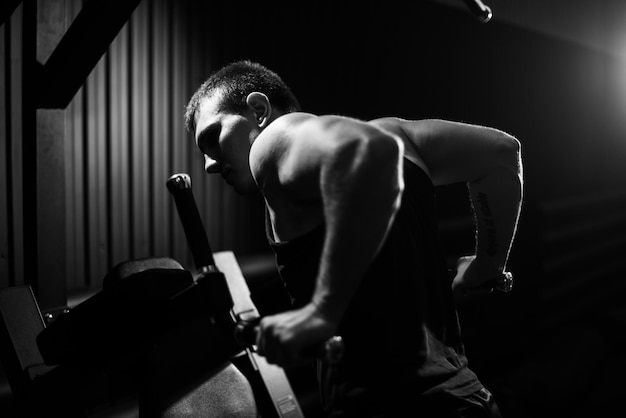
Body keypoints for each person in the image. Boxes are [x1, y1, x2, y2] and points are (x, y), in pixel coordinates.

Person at [183, 60, 523, 417]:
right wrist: (487, 266)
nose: (209, 163)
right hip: (466, 397)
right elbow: (500, 153)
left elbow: (368, 153)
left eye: (211, 137)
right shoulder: (399, 135)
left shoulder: (272, 141)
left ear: (258, 110)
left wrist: (320, 312)